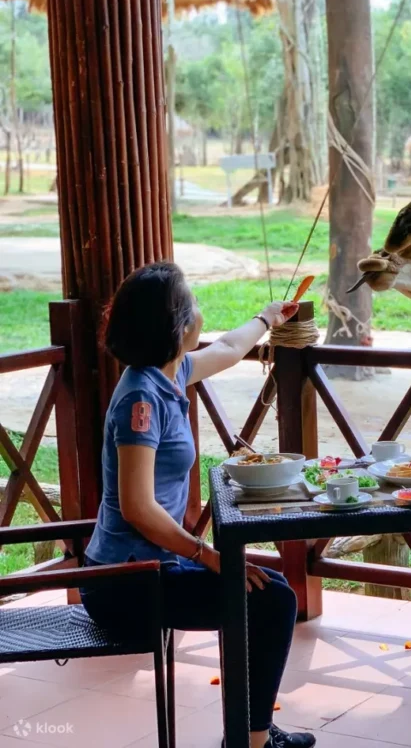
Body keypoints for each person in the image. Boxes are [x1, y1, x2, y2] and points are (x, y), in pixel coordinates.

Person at [79, 262, 314, 748]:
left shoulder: (169, 369)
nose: (201, 316)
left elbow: (228, 349)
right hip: (123, 584)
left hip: (151, 568)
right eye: (193, 305)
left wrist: (268, 318)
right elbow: (138, 508)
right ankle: (251, 741)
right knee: (272, 601)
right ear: (179, 328)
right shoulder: (140, 400)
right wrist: (208, 556)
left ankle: (249, 731)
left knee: (263, 593)